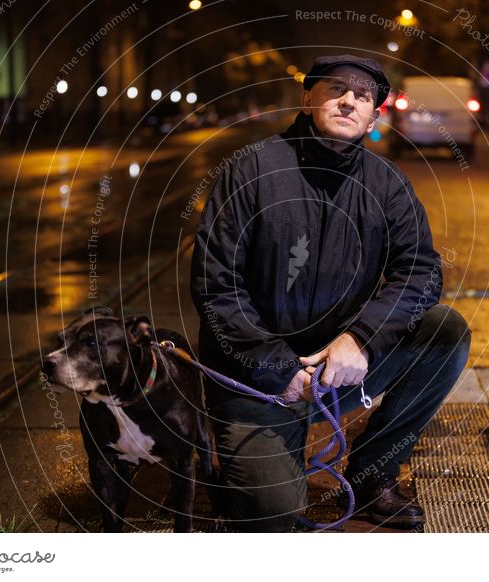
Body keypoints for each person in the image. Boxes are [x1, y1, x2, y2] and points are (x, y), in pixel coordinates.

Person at [190, 54, 471, 532]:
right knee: (272, 517)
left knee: (444, 333)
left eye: (363, 96)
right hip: (255, 378)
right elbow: (216, 286)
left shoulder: (388, 184)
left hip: (335, 368)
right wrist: (276, 366)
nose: (348, 101)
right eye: (335, 89)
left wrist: (361, 338)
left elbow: (421, 273)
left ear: (374, 115)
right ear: (307, 98)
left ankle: (371, 472)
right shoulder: (250, 170)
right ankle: (253, 465)